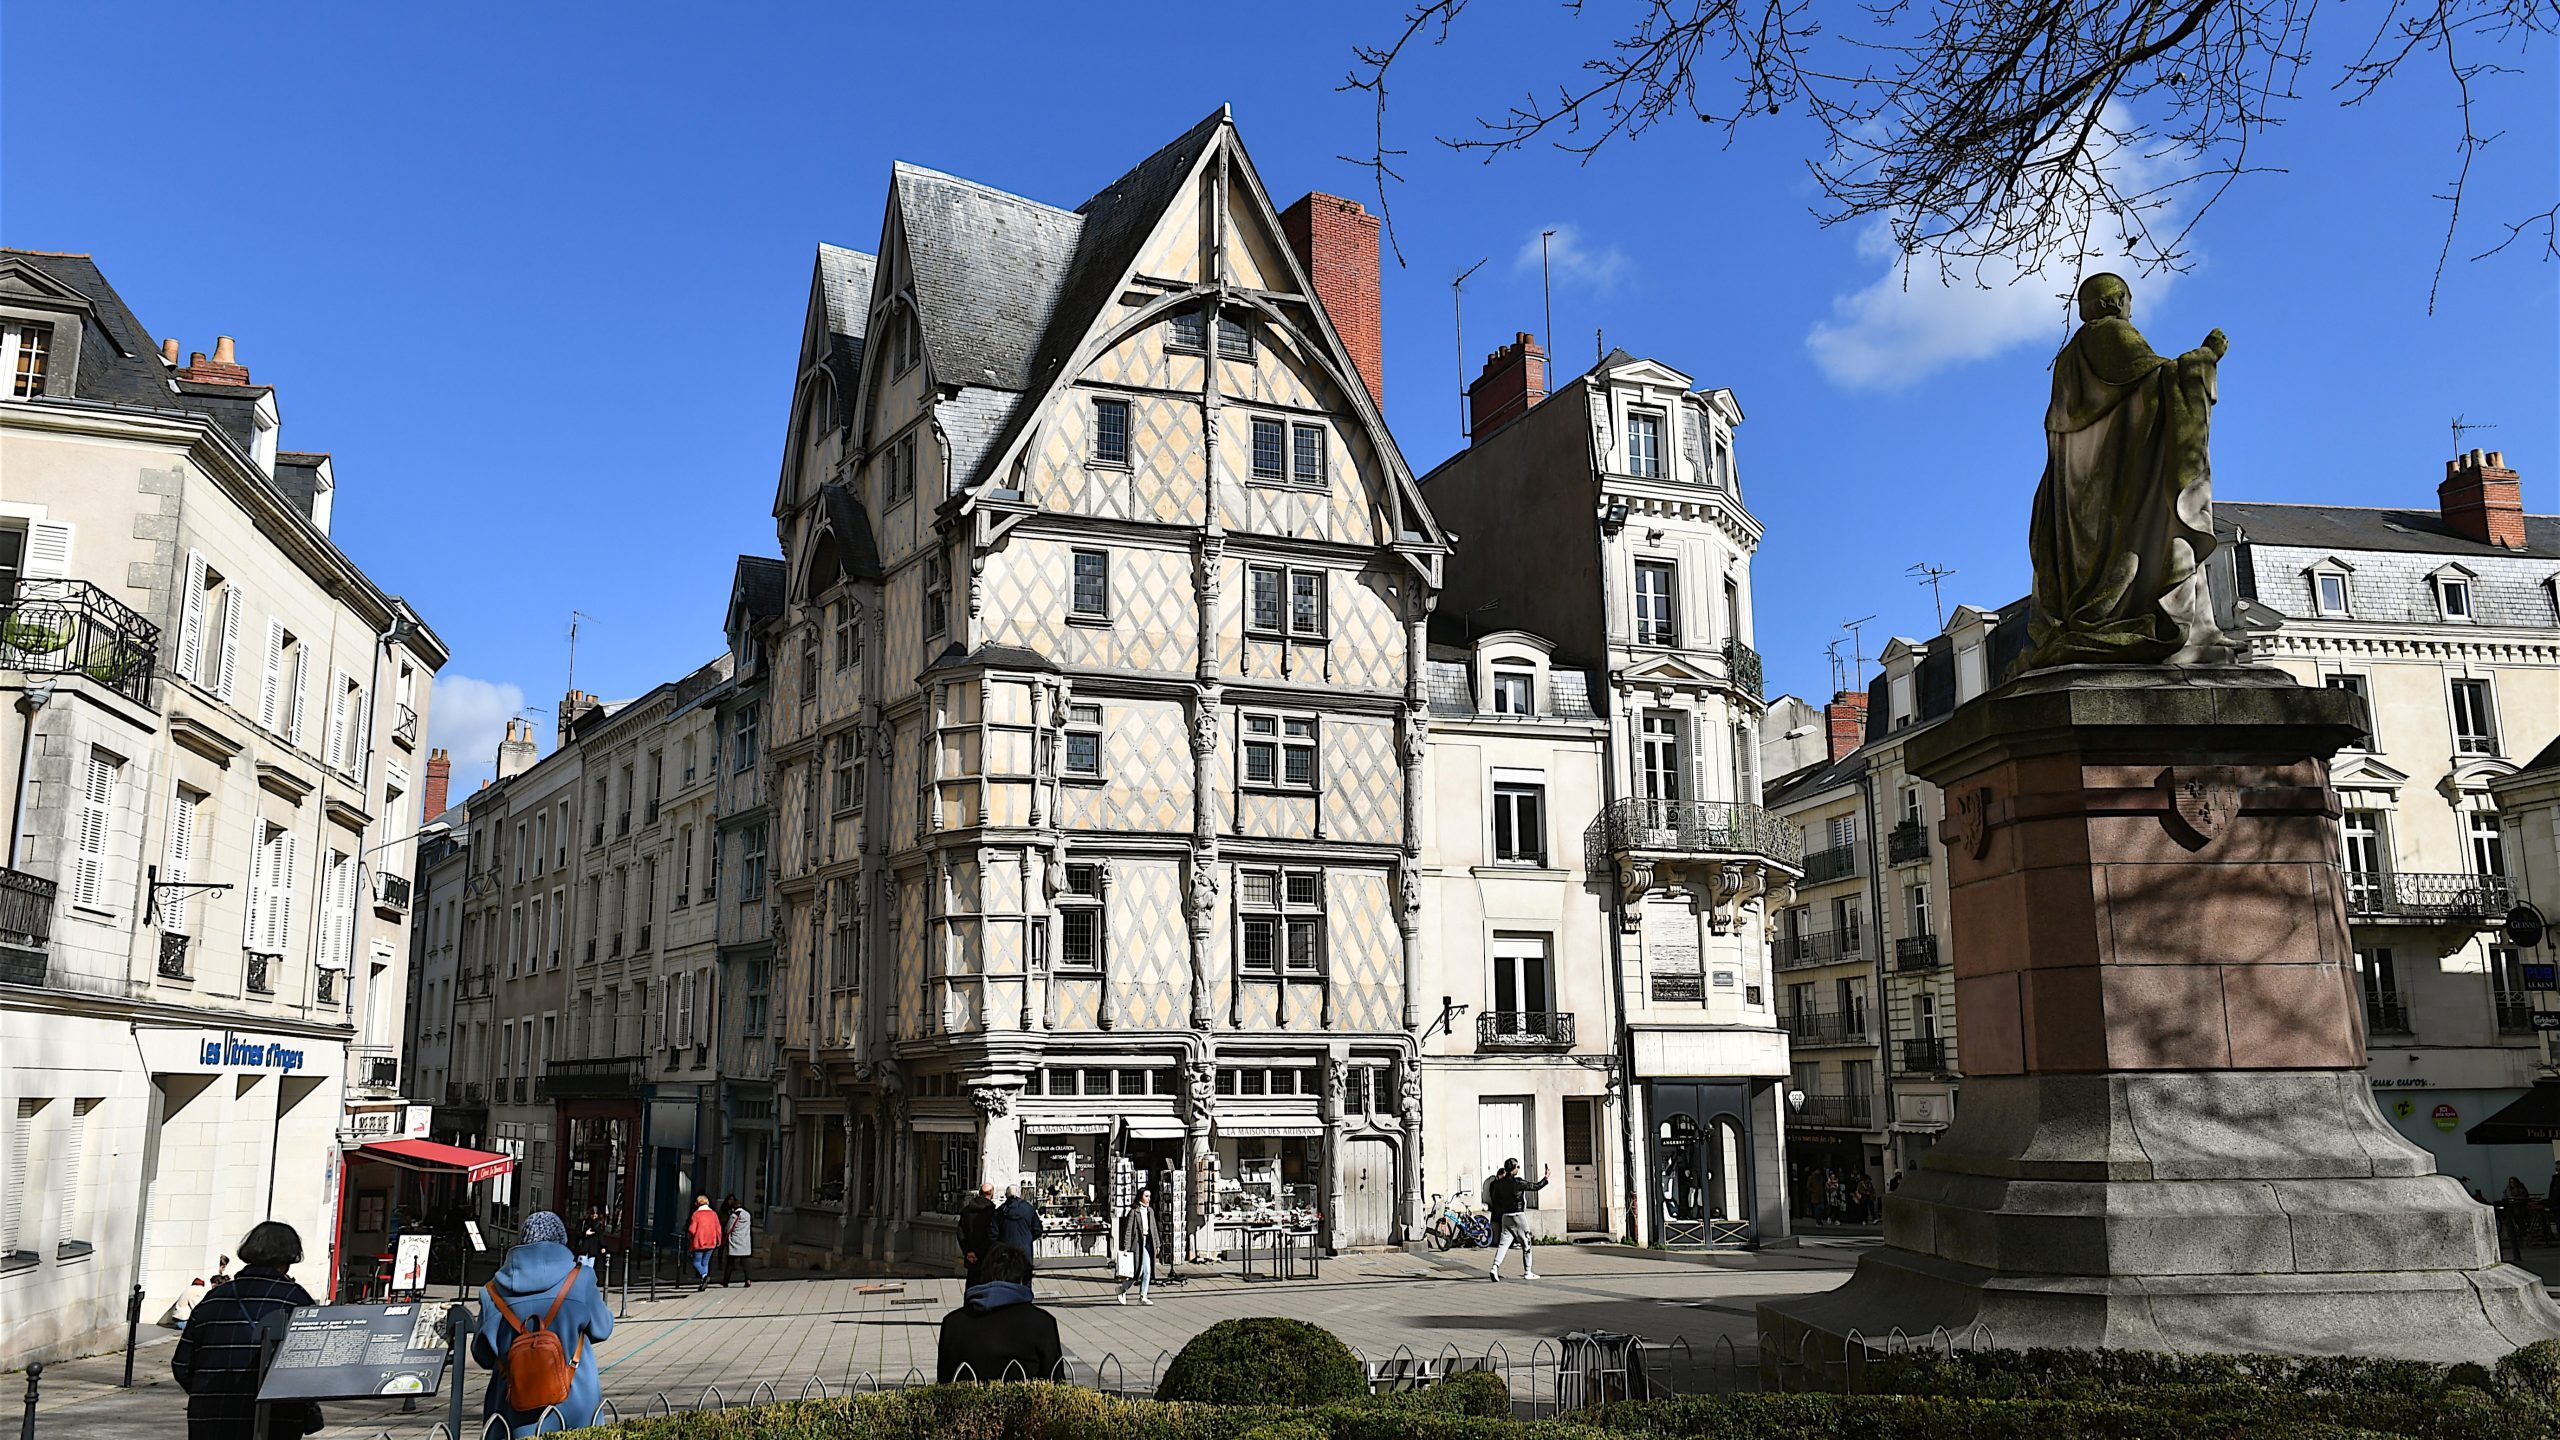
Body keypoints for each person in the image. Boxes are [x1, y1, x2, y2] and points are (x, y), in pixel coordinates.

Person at [2022, 272, 2235, 670]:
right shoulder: (2113, 336)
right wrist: (2206, 357)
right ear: (2114, 302)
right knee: (2152, 538)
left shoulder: (2068, 361)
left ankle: (2095, 616)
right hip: (2121, 483)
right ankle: (2159, 624)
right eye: (2128, 301)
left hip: (2077, 496)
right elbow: (2164, 380)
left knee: (2099, 567)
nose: (2130, 309)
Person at [173, 1221, 320, 1440]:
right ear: (288, 1259)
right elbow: (311, 1367)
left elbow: (182, 1365)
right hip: (276, 1418)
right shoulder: (296, 1301)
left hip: (211, 1415)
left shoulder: (213, 1299)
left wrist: (210, 1392)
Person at [472, 1210, 613, 1436]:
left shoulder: (492, 1291)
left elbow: (482, 1354)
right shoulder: (581, 1279)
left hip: (514, 1410)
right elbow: (603, 1328)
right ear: (560, 1242)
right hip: (575, 1407)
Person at [936, 1243, 1060, 1383]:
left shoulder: (953, 1323)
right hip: (1027, 1402)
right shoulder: (1042, 1323)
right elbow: (1055, 1381)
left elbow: (944, 1382)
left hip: (968, 1403)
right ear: (1021, 1280)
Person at [1484, 1158, 1549, 1282]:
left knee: (1503, 1243)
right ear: (1513, 1169)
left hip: (1505, 1216)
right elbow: (1535, 1186)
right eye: (1517, 1167)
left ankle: (1495, 1267)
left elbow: (1496, 1199)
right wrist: (1546, 1178)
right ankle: (1528, 1271)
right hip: (1518, 1215)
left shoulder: (1499, 1184)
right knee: (1526, 1241)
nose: (1518, 1169)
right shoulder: (1518, 1182)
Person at [1116, 1186, 1155, 1305]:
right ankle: (1122, 1289)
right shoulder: (1134, 1212)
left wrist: (1157, 1244)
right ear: (1140, 1197)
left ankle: (1143, 1296)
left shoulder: (1150, 1211)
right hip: (1137, 1244)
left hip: (1147, 1242)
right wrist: (1126, 1248)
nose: (1148, 1199)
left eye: (1149, 1196)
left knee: (1147, 1271)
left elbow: (1153, 1229)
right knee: (1135, 1271)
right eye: (1146, 1196)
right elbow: (1128, 1231)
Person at [957, 1181, 999, 1285]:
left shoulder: (967, 1210)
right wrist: (979, 1253)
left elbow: (960, 1232)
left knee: (971, 1283)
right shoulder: (992, 1213)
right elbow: (991, 1235)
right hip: (986, 1256)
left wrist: (968, 1251)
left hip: (970, 1256)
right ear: (991, 1194)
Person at [995, 1185, 1043, 1263]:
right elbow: (1037, 1230)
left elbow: (993, 1233)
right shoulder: (1029, 1208)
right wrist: (1028, 1238)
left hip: (1005, 1252)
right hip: (1024, 1251)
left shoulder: (1000, 1211)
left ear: (1006, 1195)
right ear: (1019, 1194)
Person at [685, 1195, 722, 1289]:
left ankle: (704, 1276)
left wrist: (690, 1237)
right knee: (705, 1262)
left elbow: (692, 1230)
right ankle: (703, 1282)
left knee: (696, 1262)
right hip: (711, 1241)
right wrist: (719, 1240)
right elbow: (718, 1228)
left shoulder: (696, 1214)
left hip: (699, 1241)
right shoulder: (713, 1214)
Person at [720, 1194, 753, 1288]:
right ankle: (748, 1279)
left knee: (730, 1263)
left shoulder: (734, 1215)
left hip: (735, 1241)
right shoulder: (747, 1214)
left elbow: (728, 1228)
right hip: (745, 1241)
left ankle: (725, 1281)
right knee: (745, 1262)